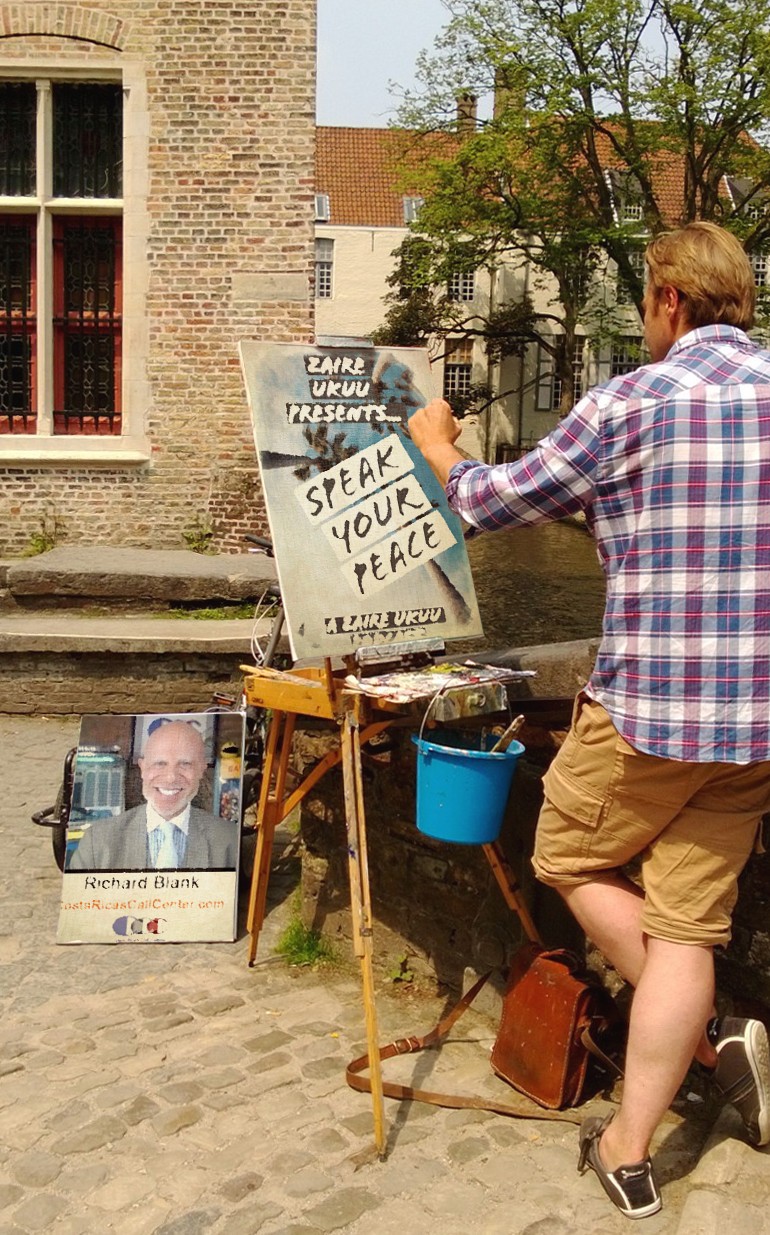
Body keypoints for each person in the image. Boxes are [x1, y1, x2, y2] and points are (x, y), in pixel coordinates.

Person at [409, 221, 770, 1220]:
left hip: (648, 713)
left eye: (649, 302)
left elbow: (489, 503)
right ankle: (632, 1143)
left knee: (564, 856)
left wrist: (437, 446)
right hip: (756, 724)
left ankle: (699, 1047)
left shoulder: (627, 404)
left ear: (668, 301)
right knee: (686, 925)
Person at [69, 719, 238, 871]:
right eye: (160, 763)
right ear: (142, 768)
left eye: (185, 764)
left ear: (201, 769)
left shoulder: (229, 840)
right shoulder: (96, 841)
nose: (171, 777)